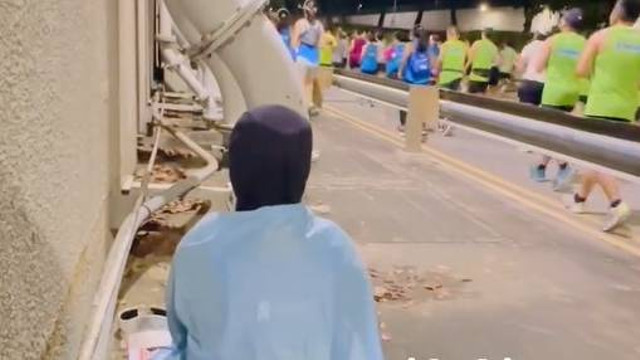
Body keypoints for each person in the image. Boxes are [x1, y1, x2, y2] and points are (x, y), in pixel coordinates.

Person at [153, 105, 384, 360]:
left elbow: (181, 337)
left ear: (237, 169)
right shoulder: (336, 250)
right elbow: (361, 347)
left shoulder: (199, 244)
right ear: (303, 170)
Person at [565, 0, 640, 232]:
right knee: (597, 157)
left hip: (600, 104)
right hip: (627, 107)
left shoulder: (601, 36)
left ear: (618, 12)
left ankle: (616, 204)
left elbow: (581, 70)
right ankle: (579, 199)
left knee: (597, 157)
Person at [530, 8, 586, 188]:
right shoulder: (585, 43)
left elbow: (538, 67)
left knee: (548, 134)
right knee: (555, 132)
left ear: (563, 23)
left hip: (554, 92)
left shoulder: (552, 41)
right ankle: (540, 167)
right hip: (573, 92)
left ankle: (564, 166)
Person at [292, 0, 324, 116]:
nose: (313, 10)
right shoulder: (301, 23)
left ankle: (309, 103)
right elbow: (294, 40)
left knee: (309, 83)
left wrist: (318, 58)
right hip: (302, 54)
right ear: (306, 10)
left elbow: (320, 42)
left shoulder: (319, 25)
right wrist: (294, 55)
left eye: (314, 7)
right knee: (301, 81)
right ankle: (299, 104)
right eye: (311, 7)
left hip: (313, 56)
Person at [397, 28, 432, 132]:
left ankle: (404, 125)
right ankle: (422, 125)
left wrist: (400, 72)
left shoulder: (410, 45)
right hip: (424, 79)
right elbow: (431, 62)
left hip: (411, 78)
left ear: (415, 36)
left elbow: (404, 60)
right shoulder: (428, 47)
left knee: (404, 101)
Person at [516, 32, 547, 106]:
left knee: (526, 111)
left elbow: (520, 66)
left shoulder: (529, 46)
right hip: (547, 84)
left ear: (535, 37)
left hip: (530, 83)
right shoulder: (551, 46)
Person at [467, 28, 500, 94]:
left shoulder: (477, 43)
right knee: (480, 98)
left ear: (483, 34)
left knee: (471, 99)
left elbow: (470, 58)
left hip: (475, 76)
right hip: (486, 77)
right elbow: (497, 62)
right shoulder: (494, 47)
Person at [437, 26, 467, 91]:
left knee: (444, 99)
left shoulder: (445, 45)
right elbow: (467, 60)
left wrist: (437, 74)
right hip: (459, 76)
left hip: (446, 77)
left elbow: (440, 61)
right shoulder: (464, 46)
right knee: (456, 99)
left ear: (448, 34)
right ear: (458, 35)